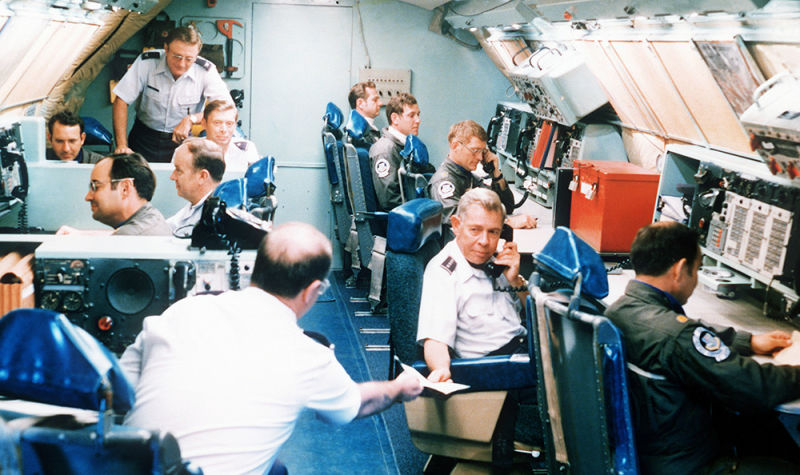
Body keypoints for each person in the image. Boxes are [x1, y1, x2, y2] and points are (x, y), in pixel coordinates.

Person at [120, 222, 423, 474]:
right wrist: (399, 387)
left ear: (256, 269)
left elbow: (119, 390)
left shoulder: (181, 312)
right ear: (313, 291)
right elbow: (356, 404)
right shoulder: (307, 355)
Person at [605, 221, 800, 475]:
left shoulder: (618, 311)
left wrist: (747, 341)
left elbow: (687, 331)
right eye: (696, 270)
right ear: (679, 270)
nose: (695, 280)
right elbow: (755, 386)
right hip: (691, 465)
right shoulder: (677, 336)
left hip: (649, 455)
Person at [417, 188, 530, 468]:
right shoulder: (444, 273)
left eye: (493, 232)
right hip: (495, 370)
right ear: (456, 226)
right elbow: (435, 339)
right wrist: (440, 370)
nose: (484, 241)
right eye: (475, 230)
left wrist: (516, 281)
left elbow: (527, 315)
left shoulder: (494, 261)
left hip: (521, 350)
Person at [112, 25, 231, 163]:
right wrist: (121, 145)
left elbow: (227, 109)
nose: (181, 64)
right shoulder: (147, 62)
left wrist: (191, 119)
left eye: (188, 59)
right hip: (144, 138)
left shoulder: (206, 71)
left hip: (181, 141)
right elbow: (121, 100)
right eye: (177, 56)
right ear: (166, 49)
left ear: (197, 54)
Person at [428, 120, 537, 229]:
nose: (480, 158)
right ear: (455, 146)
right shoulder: (444, 181)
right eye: (475, 150)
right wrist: (506, 222)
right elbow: (456, 217)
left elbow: (506, 206)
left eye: (483, 152)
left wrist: (496, 173)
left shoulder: (465, 175)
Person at [57, 153, 170, 236]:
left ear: (125, 188)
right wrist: (80, 235)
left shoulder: (128, 241)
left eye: (96, 187)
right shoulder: (152, 218)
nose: (88, 197)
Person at [369, 92, 421, 211]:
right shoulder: (385, 150)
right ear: (395, 118)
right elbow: (389, 200)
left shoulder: (406, 146)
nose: (418, 120)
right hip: (399, 222)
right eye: (412, 115)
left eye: (418, 115)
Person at [167, 138, 225, 236]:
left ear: (202, 176)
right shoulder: (196, 204)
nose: (172, 177)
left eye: (179, 170)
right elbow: (169, 226)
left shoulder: (212, 222)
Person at [201, 99, 259, 170]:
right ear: (204, 123)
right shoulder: (191, 151)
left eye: (229, 124)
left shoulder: (246, 150)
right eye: (217, 123)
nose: (223, 130)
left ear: (235, 126)